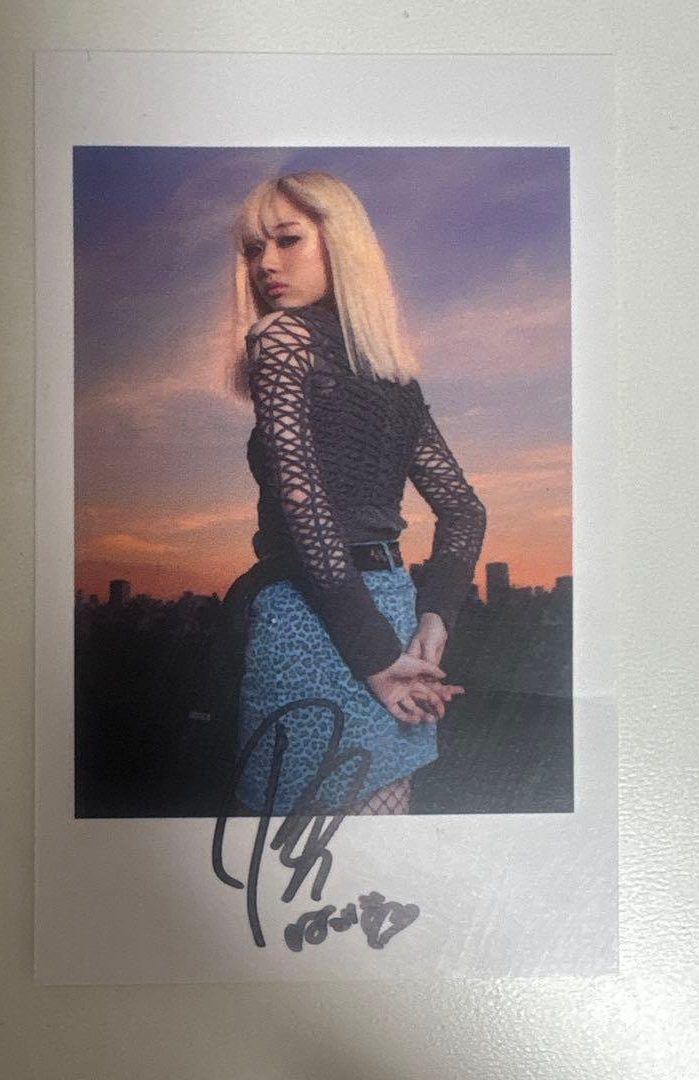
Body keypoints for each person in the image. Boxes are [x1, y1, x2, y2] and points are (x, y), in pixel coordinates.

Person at [223, 170, 486, 817]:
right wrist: (432, 621)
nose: (265, 264)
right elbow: (464, 512)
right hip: (391, 614)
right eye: (254, 249)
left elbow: (305, 509)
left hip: (313, 620)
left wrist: (376, 658)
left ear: (340, 242)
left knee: (293, 857)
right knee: (376, 845)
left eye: (287, 240)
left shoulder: (280, 338)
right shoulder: (393, 376)